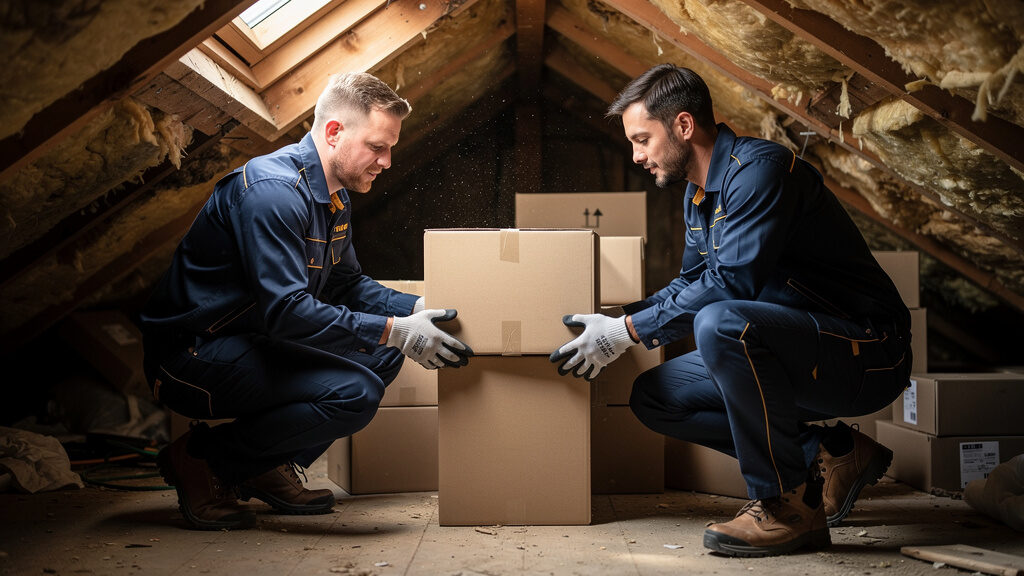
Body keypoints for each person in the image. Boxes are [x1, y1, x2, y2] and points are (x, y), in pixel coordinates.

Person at [551, 64, 912, 557]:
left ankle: (787, 505)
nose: (636, 155)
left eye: (642, 140)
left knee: (721, 323)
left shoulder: (760, 171)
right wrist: (619, 321)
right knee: (655, 397)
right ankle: (829, 454)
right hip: (789, 351)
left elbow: (729, 284)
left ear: (683, 125)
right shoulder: (698, 194)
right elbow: (691, 281)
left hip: (866, 353)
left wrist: (627, 332)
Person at [139, 72, 472, 531]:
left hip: (252, 339)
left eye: (390, 148)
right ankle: (204, 459)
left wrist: (415, 310)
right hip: (191, 356)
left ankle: (264, 465)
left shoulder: (333, 197)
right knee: (356, 392)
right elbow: (286, 311)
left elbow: (346, 284)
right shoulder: (273, 193)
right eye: (377, 147)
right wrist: (394, 330)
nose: (387, 161)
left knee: (381, 355)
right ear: (334, 132)